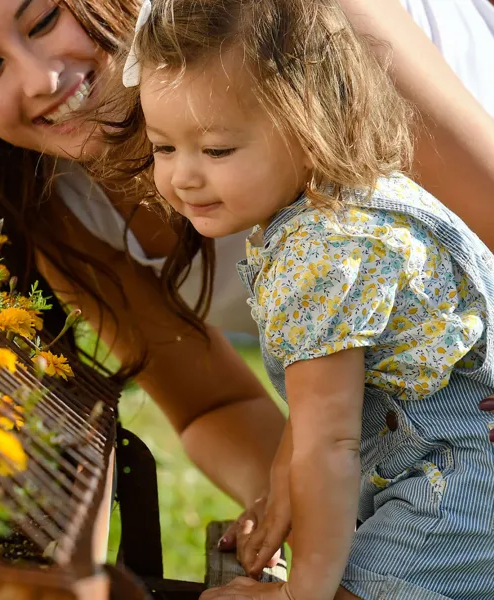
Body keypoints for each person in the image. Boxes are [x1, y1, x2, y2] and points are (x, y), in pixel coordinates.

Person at [0, 0, 494, 527]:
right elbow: (209, 403)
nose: (41, 77)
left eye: (45, 19)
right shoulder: (50, 206)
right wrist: (295, 514)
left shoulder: (305, 26)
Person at [108, 0, 494, 598]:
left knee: (363, 588)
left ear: (309, 125)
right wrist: (282, 488)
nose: (184, 176)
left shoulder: (320, 256)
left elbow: (329, 447)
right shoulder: (349, 195)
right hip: (445, 452)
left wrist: (301, 594)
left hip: (468, 476)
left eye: (215, 151)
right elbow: (324, 407)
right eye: (164, 147)